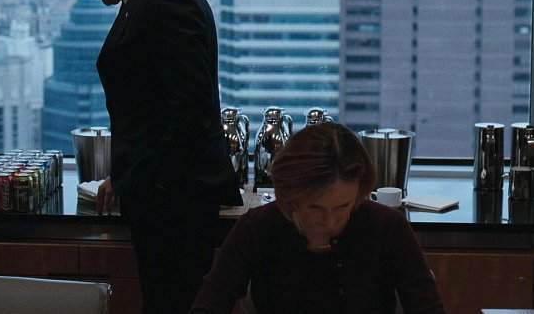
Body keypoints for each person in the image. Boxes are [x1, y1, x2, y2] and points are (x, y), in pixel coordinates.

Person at [65, 0, 243, 313]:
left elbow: (188, 112)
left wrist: (140, 177)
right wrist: (125, 176)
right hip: (167, 199)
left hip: (174, 203)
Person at [190, 122, 446, 314]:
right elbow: (210, 303)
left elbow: (428, 308)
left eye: (343, 206)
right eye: (316, 207)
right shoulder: (258, 227)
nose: (330, 220)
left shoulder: (387, 227)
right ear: (291, 194)